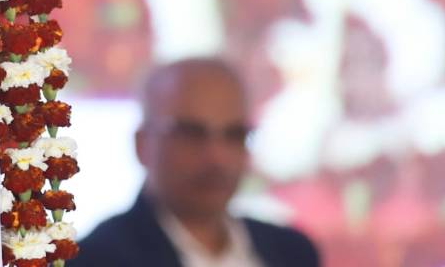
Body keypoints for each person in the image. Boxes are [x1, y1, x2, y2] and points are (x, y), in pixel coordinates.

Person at [77, 58, 320, 267]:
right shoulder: (96, 259)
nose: (217, 157)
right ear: (143, 145)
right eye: (191, 134)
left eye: (234, 135)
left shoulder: (293, 252)